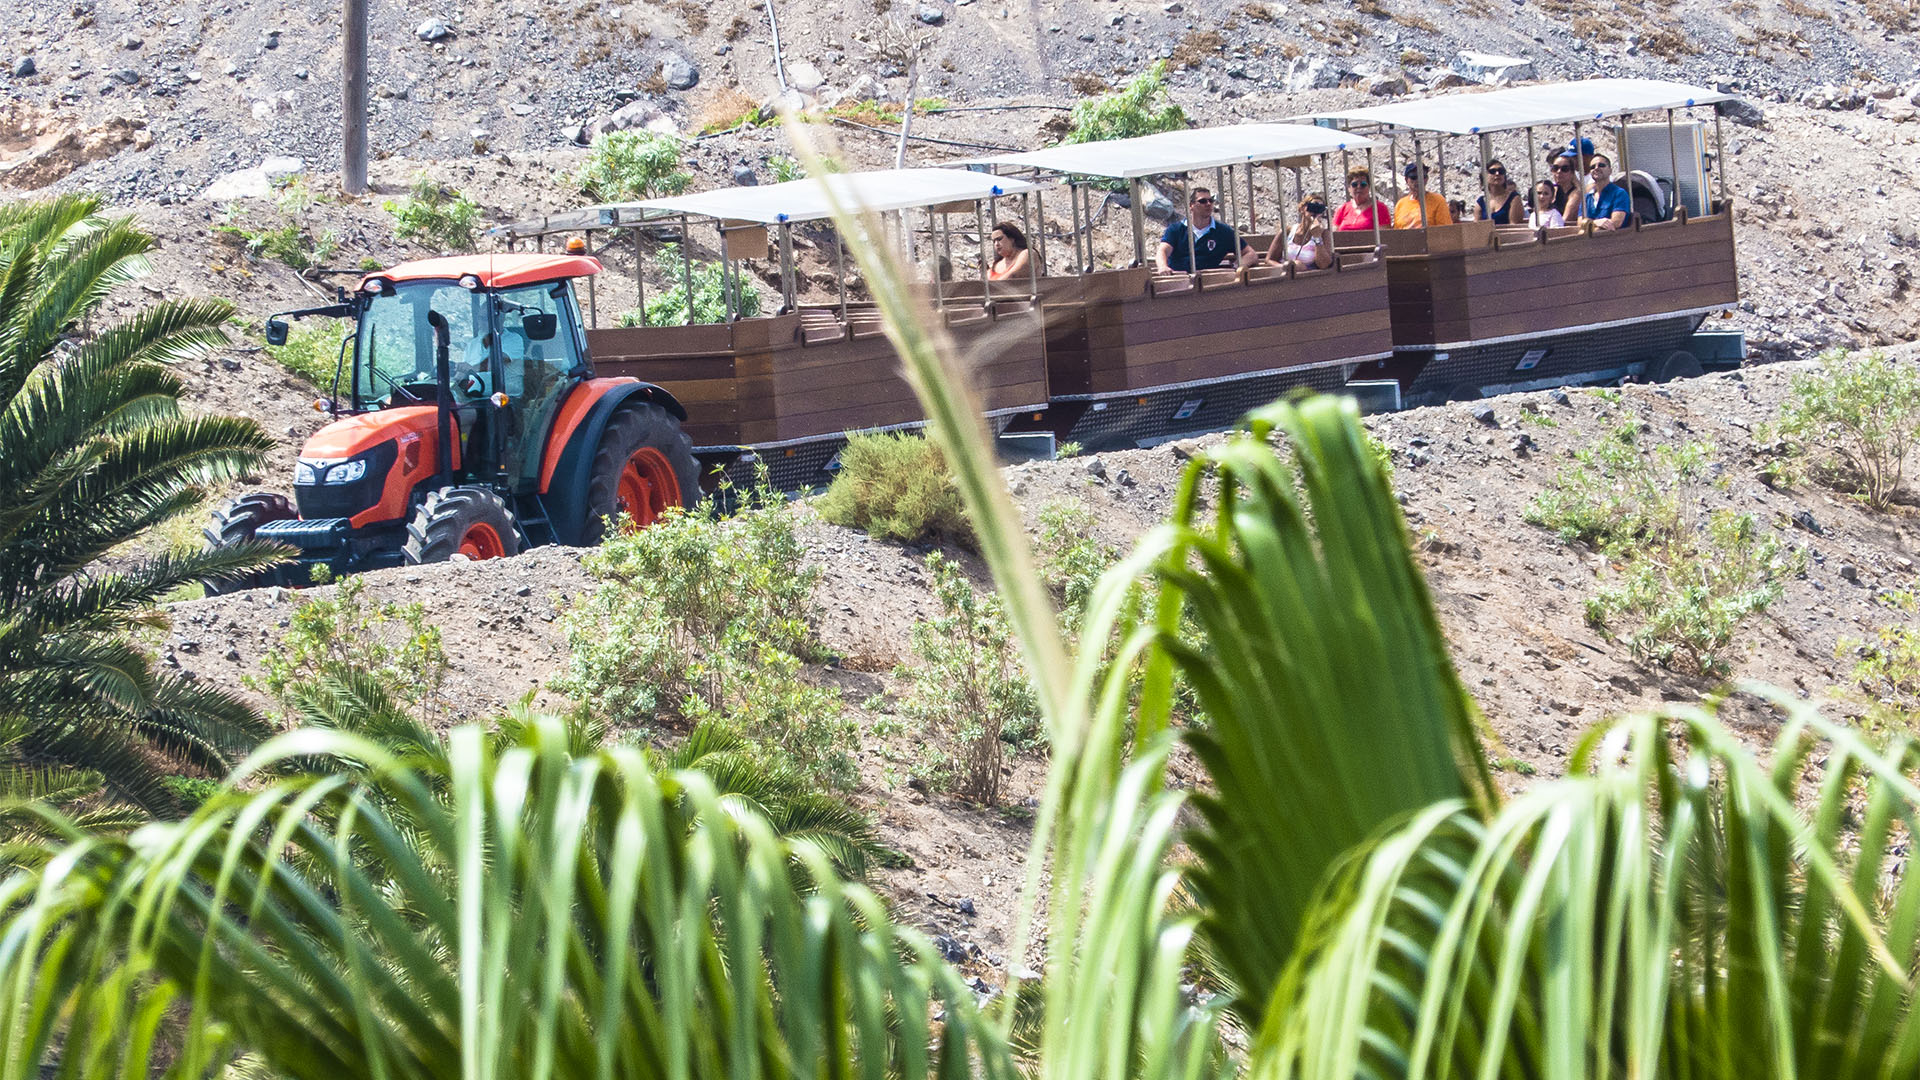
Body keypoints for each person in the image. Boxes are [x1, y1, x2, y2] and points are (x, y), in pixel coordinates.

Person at [1158, 187, 1253, 273]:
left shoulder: (1223, 232)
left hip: (1208, 285)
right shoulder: (1176, 230)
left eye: (1211, 200)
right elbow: (1163, 251)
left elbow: (1250, 254)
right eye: (1203, 201)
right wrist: (1163, 266)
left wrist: (1236, 267)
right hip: (1179, 282)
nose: (1208, 204)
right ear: (1191, 205)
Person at [1265, 193, 1334, 271]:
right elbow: (1269, 260)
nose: (1316, 212)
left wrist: (1317, 237)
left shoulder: (1324, 234)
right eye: (1312, 207)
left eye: (1320, 209)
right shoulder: (1287, 232)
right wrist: (1286, 267)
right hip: (1285, 274)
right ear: (1302, 209)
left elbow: (1324, 265)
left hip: (1307, 278)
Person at [1393, 161, 1452, 229]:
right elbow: (1396, 232)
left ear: (1426, 179)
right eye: (1414, 177)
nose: (1418, 180)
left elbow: (1445, 230)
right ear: (1406, 180)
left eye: (1422, 176)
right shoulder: (1400, 205)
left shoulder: (1438, 201)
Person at [1333, 166, 1390, 232]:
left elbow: (1385, 236)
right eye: (1354, 184)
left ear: (1369, 187)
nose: (1359, 187)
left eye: (1363, 184)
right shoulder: (1342, 209)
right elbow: (1334, 235)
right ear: (1349, 188)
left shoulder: (1380, 208)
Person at [1582, 154, 1631, 230]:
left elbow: (1616, 222)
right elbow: (1580, 223)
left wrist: (1590, 224)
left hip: (1612, 239)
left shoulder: (1619, 194)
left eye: (1601, 165)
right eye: (1592, 167)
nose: (1596, 168)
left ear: (1610, 171)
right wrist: (1595, 223)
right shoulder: (1586, 198)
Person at [1475, 159, 1522, 224]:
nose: (1497, 174)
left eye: (1501, 171)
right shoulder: (1481, 202)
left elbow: (1514, 225)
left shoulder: (1513, 198)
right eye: (1492, 171)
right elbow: (1476, 227)